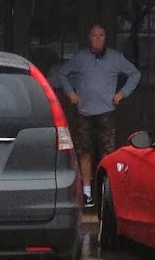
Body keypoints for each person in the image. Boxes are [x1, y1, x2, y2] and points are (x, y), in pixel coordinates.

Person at [57, 23, 141, 208]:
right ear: (89, 37)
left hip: (107, 112)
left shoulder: (116, 58)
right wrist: (70, 93)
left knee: (107, 154)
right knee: (84, 152)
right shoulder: (79, 58)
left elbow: (135, 74)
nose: (97, 38)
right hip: (84, 111)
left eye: (101, 35)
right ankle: (86, 192)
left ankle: (105, 191)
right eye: (94, 35)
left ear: (106, 38)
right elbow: (62, 73)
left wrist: (122, 93)